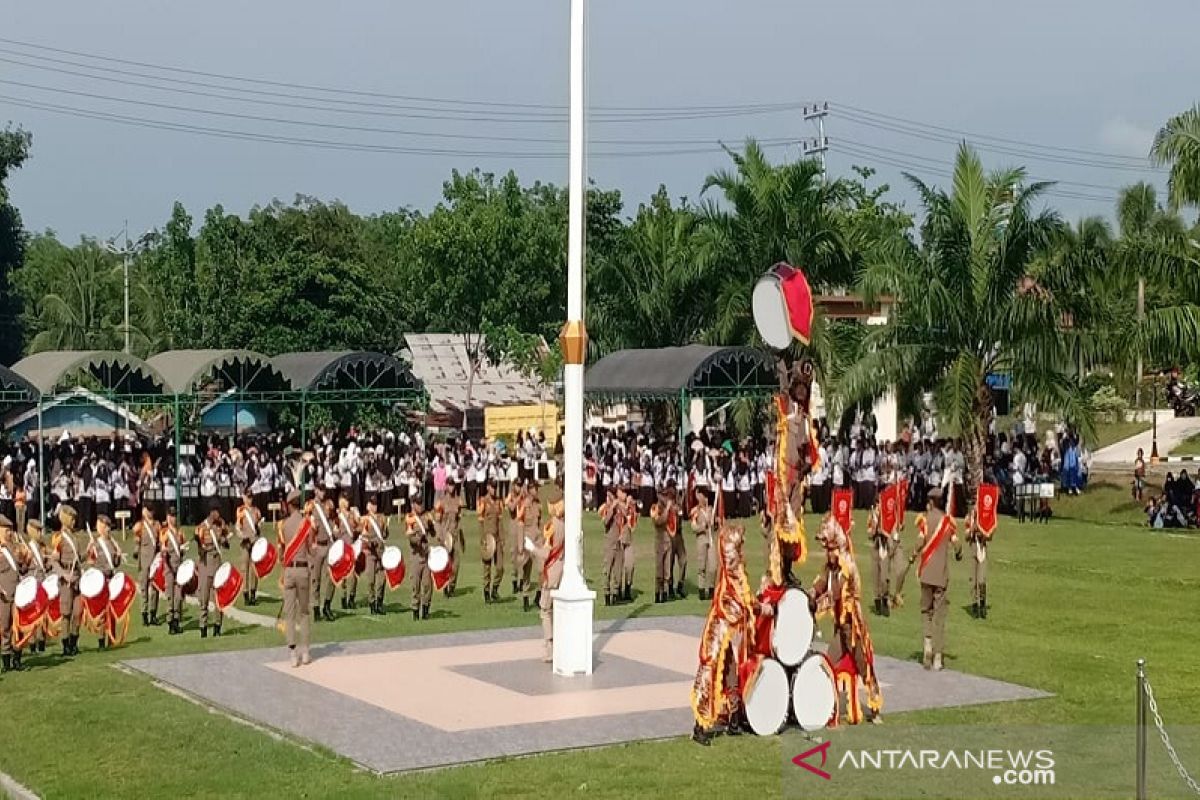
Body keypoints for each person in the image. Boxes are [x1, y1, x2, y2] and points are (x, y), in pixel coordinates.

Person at [690, 523, 768, 746]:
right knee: (711, 671)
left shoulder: (731, 571)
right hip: (719, 628)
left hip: (725, 627)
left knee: (729, 668)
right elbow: (746, 599)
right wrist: (763, 608)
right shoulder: (734, 573)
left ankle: (733, 719)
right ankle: (700, 724)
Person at [812, 514, 883, 725]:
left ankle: (875, 706)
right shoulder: (830, 567)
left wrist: (817, 605)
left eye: (831, 549)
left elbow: (835, 592)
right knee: (828, 663)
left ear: (838, 548)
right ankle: (824, 705)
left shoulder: (847, 566)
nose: (828, 553)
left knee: (864, 666)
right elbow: (821, 584)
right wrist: (808, 595)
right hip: (839, 628)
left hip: (853, 627)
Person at [909, 488, 962, 670]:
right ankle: (938, 658)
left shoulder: (925, 520)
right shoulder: (948, 522)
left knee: (926, 612)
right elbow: (957, 544)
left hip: (926, 573)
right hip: (941, 575)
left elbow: (920, 541)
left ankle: (927, 648)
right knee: (939, 616)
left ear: (931, 502)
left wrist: (912, 556)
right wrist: (959, 553)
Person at [527, 485, 565, 663]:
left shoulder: (552, 525)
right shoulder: (566, 523)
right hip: (563, 569)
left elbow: (546, 553)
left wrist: (532, 548)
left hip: (552, 572)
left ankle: (550, 647)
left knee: (545, 610)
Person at [278, 490, 313, 668]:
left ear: (289, 504)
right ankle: (305, 651)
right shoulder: (306, 523)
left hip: (289, 572)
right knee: (305, 612)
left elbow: (281, 552)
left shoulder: (283, 525)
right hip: (302, 570)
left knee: (289, 613)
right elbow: (310, 548)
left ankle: (293, 653)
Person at [86, 515, 123, 650]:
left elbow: (115, 564)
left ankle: (111, 637)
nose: (108, 529)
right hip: (100, 579)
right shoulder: (95, 544)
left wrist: (118, 555)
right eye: (105, 526)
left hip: (111, 578)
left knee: (112, 610)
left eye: (108, 527)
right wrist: (90, 552)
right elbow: (90, 563)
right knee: (102, 611)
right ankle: (101, 640)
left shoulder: (112, 543)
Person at [52, 505, 84, 655]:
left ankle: (74, 641)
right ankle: (65, 644)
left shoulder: (75, 537)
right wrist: (64, 574)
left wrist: (87, 554)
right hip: (66, 579)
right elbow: (54, 561)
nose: (74, 522)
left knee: (78, 612)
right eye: (72, 518)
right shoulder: (59, 538)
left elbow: (78, 558)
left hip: (77, 577)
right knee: (66, 613)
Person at [195, 508, 229, 638]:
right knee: (204, 598)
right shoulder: (202, 528)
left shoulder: (221, 524)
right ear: (211, 512)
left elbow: (225, 540)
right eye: (217, 511)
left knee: (218, 598)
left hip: (217, 564)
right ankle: (203, 627)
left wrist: (225, 541)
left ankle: (217, 626)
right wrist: (201, 548)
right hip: (205, 565)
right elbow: (199, 548)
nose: (219, 514)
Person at [406, 496, 437, 621]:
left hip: (426, 556)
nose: (420, 506)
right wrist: (420, 538)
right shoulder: (410, 519)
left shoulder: (426, 517)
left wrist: (431, 525)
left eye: (421, 504)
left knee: (427, 585)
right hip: (416, 556)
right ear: (413, 505)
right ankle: (415, 611)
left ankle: (425, 609)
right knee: (415, 585)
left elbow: (434, 534)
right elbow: (410, 538)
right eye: (418, 504)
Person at [0, 518, 25, 672]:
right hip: (3, 595)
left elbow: (21, 569)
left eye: (10, 530)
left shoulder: (14, 548)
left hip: (18, 594)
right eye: (6, 530)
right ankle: (6, 661)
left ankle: (17, 659)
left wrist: (24, 557)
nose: (10, 533)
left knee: (19, 627)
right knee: (4, 627)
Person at [308, 489, 336, 622]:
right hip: (318, 545)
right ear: (316, 490)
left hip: (329, 543)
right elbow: (309, 526)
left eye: (323, 488)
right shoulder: (311, 506)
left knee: (331, 576)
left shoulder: (329, 504)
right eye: (320, 489)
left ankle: (327, 605)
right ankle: (316, 608)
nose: (322, 492)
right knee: (316, 579)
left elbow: (335, 521)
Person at [651, 484, 682, 603]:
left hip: (668, 542)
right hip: (659, 542)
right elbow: (659, 521)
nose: (666, 499)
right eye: (664, 496)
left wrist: (676, 509)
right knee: (659, 570)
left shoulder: (670, 509)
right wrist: (667, 510)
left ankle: (665, 593)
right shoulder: (655, 508)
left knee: (667, 571)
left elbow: (676, 522)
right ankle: (657, 593)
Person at [359, 495, 389, 615]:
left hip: (381, 553)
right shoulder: (365, 520)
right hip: (371, 553)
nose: (374, 506)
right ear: (368, 505)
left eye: (376, 504)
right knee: (370, 580)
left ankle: (379, 603)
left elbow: (386, 534)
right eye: (372, 504)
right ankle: (372, 603)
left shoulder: (382, 518)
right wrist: (369, 543)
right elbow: (363, 536)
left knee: (381, 580)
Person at [132, 505, 160, 626]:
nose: (150, 512)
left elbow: (160, 541)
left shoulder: (157, 525)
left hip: (155, 560)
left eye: (151, 509)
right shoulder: (140, 526)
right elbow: (137, 542)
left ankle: (153, 614)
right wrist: (135, 551)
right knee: (144, 588)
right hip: (144, 561)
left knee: (155, 588)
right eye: (148, 509)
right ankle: (144, 614)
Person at [477, 481, 504, 603]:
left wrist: (502, 538)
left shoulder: (499, 501)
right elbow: (480, 521)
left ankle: (495, 589)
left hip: (497, 538)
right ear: (488, 487)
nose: (494, 489)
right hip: (487, 538)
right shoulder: (483, 501)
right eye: (492, 487)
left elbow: (500, 521)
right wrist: (482, 538)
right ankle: (486, 592)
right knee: (487, 568)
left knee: (500, 567)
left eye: (495, 487)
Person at [160, 508, 186, 635]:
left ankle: (176, 620)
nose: (173, 518)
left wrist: (182, 549)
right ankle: (170, 622)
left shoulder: (180, 533)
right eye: (171, 516)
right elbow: (162, 548)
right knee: (170, 596)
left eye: (174, 516)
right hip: (169, 568)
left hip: (179, 567)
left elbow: (183, 548)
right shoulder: (165, 532)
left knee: (178, 596)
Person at [334, 494, 361, 610]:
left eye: (348, 500)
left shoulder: (352, 514)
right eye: (345, 500)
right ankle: (343, 599)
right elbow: (334, 533)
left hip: (351, 548)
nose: (347, 502)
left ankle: (351, 598)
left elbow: (359, 527)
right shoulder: (337, 517)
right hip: (342, 549)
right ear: (340, 501)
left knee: (353, 576)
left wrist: (356, 530)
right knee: (343, 576)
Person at [690, 488, 718, 601]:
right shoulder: (695, 511)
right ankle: (701, 590)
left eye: (705, 496)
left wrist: (715, 521)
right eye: (702, 496)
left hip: (711, 539)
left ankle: (711, 588)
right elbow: (693, 527)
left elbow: (715, 523)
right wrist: (703, 526)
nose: (704, 499)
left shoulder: (711, 509)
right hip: (701, 539)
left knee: (713, 566)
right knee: (702, 566)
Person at [235, 491, 262, 606]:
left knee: (254, 569)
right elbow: (237, 528)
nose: (250, 500)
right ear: (244, 497)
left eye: (251, 497)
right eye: (248, 497)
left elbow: (259, 526)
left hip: (254, 542)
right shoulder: (241, 511)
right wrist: (243, 537)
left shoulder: (256, 511)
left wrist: (259, 529)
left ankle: (253, 592)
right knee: (244, 569)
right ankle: (245, 593)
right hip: (245, 543)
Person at [518, 481, 541, 611]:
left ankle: (538, 595)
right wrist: (521, 544)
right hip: (527, 539)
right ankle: (525, 597)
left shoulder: (538, 505)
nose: (537, 491)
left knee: (542, 569)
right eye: (535, 488)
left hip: (537, 540)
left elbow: (540, 522)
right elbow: (520, 523)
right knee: (526, 570)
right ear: (530, 489)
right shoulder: (524, 505)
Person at [600, 486, 624, 606]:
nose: (608, 499)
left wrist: (620, 506)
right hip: (609, 543)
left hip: (619, 542)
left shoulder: (619, 509)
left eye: (610, 497)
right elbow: (605, 522)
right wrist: (612, 508)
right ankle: (606, 593)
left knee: (618, 570)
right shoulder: (606, 509)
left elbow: (626, 518)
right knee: (607, 570)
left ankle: (616, 593)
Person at [440, 479, 464, 597]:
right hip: (445, 536)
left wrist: (461, 536)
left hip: (455, 535)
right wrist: (440, 536)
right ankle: (445, 586)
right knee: (446, 563)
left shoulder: (458, 501)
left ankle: (452, 586)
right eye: (449, 485)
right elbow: (438, 521)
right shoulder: (442, 502)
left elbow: (459, 519)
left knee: (456, 563)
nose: (451, 487)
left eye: (453, 485)